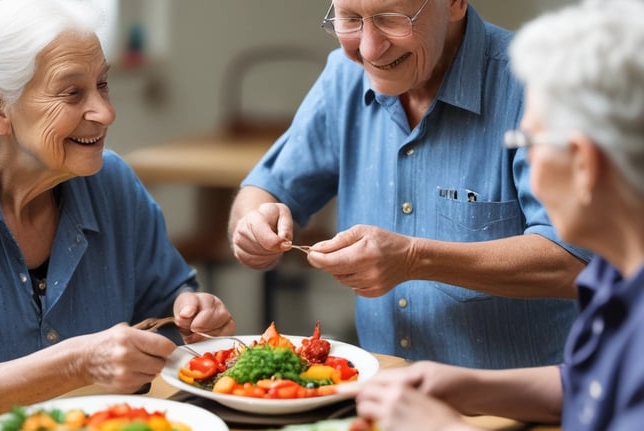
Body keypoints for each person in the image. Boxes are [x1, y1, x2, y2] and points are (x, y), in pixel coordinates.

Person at [0, 0, 235, 428]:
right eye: (72, 93)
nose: (106, 113)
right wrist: (77, 363)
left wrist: (194, 318)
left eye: (103, 85)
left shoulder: (113, 181)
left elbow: (171, 316)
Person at [228, 0, 592, 368]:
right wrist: (253, 224)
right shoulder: (343, 76)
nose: (369, 50)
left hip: (524, 415)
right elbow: (263, 189)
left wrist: (415, 259)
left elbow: (576, 262)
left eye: (392, 20)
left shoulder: (539, 85)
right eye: (350, 19)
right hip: (387, 403)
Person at [341, 0, 644, 429]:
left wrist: (445, 427)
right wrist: (468, 387)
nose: (524, 169)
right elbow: (587, 385)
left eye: (529, 140)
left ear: (584, 164)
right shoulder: (615, 278)